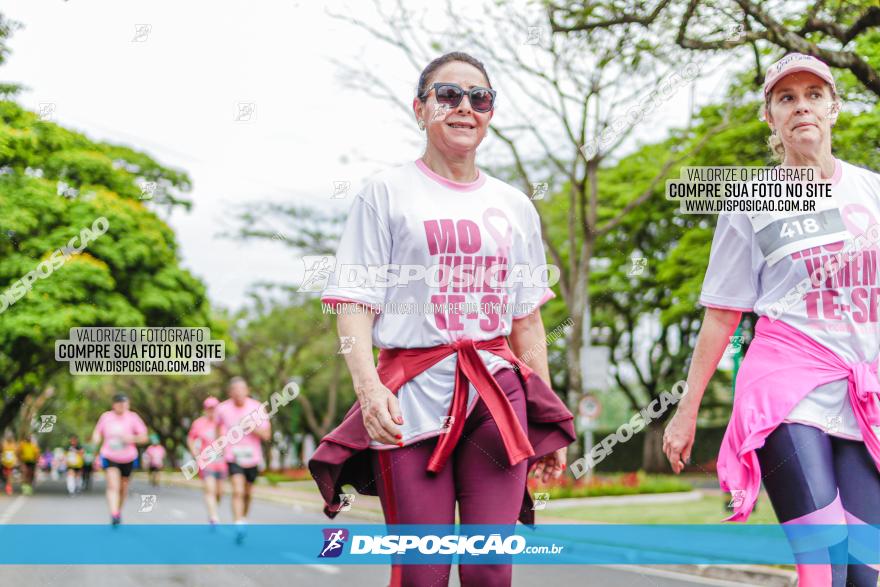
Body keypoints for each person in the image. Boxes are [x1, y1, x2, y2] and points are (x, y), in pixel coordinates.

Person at [308, 52, 575, 587]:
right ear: (420, 108)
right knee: (421, 570)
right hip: (407, 400)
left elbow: (526, 323)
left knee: (489, 568)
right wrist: (368, 388)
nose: (465, 108)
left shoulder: (515, 205)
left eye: (480, 98)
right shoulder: (385, 192)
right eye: (448, 95)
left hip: (497, 398)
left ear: (490, 112)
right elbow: (354, 304)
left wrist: (547, 422)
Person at [664, 53, 880, 587]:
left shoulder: (872, 191)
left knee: (865, 569)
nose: (801, 106)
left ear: (834, 107)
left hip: (862, 394)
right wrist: (686, 410)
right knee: (822, 564)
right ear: (771, 117)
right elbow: (721, 314)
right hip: (787, 388)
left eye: (812, 95)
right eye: (786, 98)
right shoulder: (752, 200)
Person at [215, 377, 270, 540]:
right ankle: (238, 522)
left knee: (247, 493)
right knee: (237, 491)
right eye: (235, 390)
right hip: (233, 456)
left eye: (242, 389)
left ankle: (243, 518)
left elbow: (267, 435)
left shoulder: (257, 408)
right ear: (230, 392)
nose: (238, 393)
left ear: (248, 390)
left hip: (253, 457)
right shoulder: (222, 408)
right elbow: (218, 427)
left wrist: (252, 428)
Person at [91, 393, 148, 526]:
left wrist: (131, 438)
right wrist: (96, 439)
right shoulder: (106, 417)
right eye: (119, 403)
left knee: (123, 487)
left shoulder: (133, 418)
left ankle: (118, 510)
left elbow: (144, 437)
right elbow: (97, 432)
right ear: (114, 404)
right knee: (112, 485)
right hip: (109, 455)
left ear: (128, 404)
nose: (121, 405)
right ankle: (114, 513)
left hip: (128, 457)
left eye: (124, 403)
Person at [186, 396, 228, 525]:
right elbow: (191, 439)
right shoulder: (198, 423)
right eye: (209, 409)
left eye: (214, 409)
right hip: (206, 462)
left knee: (219, 492)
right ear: (205, 410)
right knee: (210, 489)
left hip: (222, 463)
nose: (212, 411)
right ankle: (213, 516)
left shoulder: (224, 422)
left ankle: (213, 509)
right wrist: (195, 453)